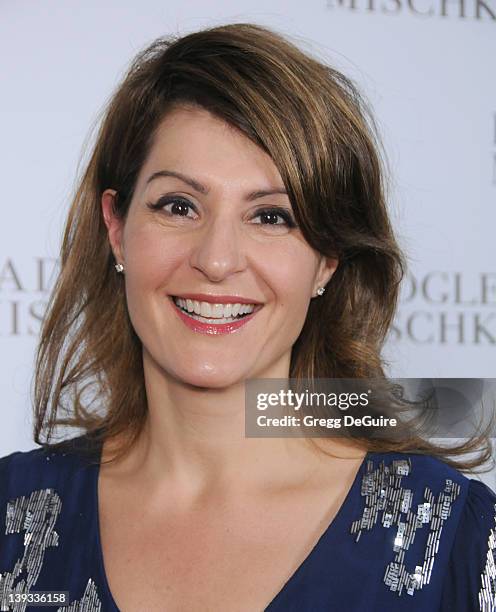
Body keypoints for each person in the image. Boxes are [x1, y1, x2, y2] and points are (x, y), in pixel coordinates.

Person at [0, 22, 495, 612]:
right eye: (179, 206)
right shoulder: (10, 515)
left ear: (327, 260)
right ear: (117, 229)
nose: (216, 260)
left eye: (271, 217)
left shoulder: (456, 542)